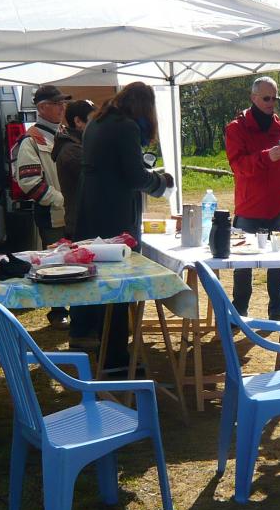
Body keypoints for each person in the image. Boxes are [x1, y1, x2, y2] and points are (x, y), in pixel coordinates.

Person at [71, 81, 174, 371]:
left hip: (92, 210)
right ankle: (115, 359)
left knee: (100, 284)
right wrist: (161, 183)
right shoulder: (127, 126)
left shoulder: (98, 121)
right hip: (114, 215)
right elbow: (134, 177)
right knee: (118, 289)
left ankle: (101, 348)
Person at [224, 76, 280, 320]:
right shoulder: (236, 128)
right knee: (242, 264)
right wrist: (266, 157)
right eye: (267, 98)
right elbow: (238, 166)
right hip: (248, 208)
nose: (271, 103)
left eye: (274, 98)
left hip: (279, 207)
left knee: (277, 262)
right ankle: (239, 311)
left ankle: (277, 312)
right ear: (253, 98)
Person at [15, 84, 70, 327]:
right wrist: (59, 200)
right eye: (57, 103)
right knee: (56, 263)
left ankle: (77, 310)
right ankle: (58, 313)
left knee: (75, 261)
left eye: (63, 103)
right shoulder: (31, 140)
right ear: (42, 108)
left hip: (72, 212)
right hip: (52, 213)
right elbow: (29, 182)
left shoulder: (65, 132)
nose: (62, 107)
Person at [52, 98, 95, 240]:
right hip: (82, 225)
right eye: (92, 120)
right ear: (78, 121)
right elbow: (96, 177)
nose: (96, 126)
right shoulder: (72, 150)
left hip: (84, 222)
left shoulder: (78, 145)